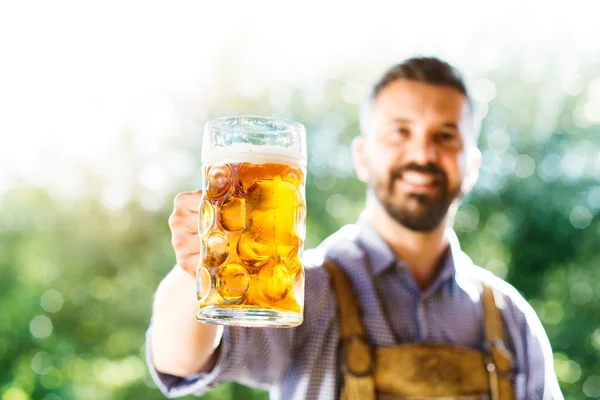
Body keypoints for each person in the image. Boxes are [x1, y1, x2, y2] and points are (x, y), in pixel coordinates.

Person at [146, 57, 563, 400]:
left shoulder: (510, 317)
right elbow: (179, 361)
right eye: (400, 132)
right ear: (362, 157)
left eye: (446, 135)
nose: (422, 152)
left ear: (471, 166)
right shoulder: (303, 288)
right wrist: (195, 268)